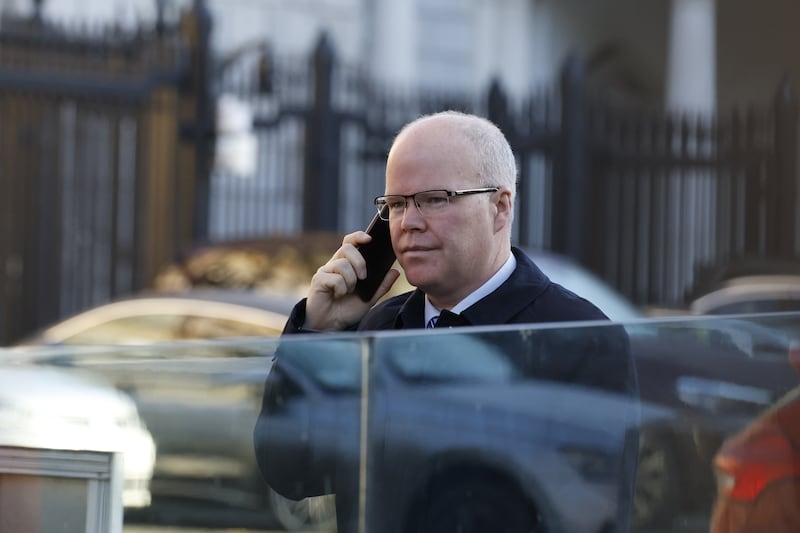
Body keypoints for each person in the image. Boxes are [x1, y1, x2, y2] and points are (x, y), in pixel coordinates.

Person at [254, 110, 637, 532]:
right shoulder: (376, 330)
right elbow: (290, 471)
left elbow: (591, 516)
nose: (409, 223)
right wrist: (317, 332)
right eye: (396, 204)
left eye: (434, 199)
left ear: (500, 208)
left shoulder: (582, 338)